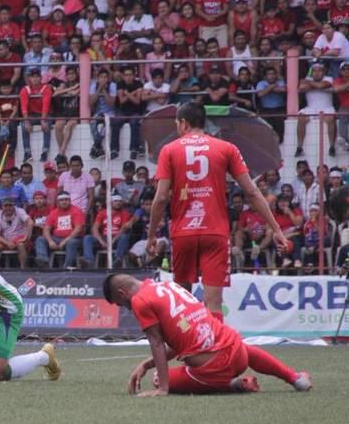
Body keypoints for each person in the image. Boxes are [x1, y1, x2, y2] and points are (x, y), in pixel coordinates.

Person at [148, 103, 286, 318]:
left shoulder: (169, 150)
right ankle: (214, 351)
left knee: (183, 303)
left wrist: (151, 236)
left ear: (183, 123)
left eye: (177, 123)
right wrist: (276, 228)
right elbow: (251, 191)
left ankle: (187, 349)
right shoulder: (226, 148)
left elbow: (161, 198)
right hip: (215, 231)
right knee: (213, 304)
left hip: (183, 232)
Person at [102, 274, 312, 396]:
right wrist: (145, 365)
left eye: (123, 304)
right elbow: (181, 342)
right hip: (237, 351)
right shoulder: (167, 285)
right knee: (243, 350)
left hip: (214, 369)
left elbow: (156, 343)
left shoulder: (140, 301)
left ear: (122, 294)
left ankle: (234, 385)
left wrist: (163, 388)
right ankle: (295, 378)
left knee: (159, 378)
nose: (127, 308)